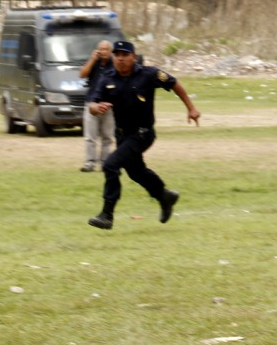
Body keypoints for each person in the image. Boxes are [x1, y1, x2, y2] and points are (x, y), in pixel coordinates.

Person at [86, 40, 200, 229]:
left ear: (133, 57)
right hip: (122, 135)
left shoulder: (149, 74)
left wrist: (191, 108)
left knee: (110, 165)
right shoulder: (107, 78)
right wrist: (96, 108)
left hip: (143, 134)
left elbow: (174, 84)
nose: (121, 59)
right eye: (118, 55)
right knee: (135, 172)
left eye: (125, 55)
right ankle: (165, 196)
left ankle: (107, 215)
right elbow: (91, 104)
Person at [78, 40, 116, 172]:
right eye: (101, 49)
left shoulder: (115, 64)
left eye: (106, 49)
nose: (103, 51)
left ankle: (105, 162)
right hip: (92, 104)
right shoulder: (94, 63)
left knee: (107, 136)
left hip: (109, 105)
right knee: (90, 136)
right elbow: (82, 74)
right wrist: (92, 60)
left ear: (110, 51)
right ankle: (90, 162)